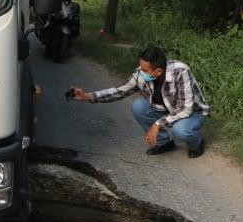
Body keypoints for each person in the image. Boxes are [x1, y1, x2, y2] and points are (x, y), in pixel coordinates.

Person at [70, 45, 210, 158]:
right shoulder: (141, 74)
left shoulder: (181, 71)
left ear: (158, 72)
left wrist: (157, 124)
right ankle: (164, 143)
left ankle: (197, 143)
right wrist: (88, 96)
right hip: (166, 110)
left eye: (144, 69)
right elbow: (120, 91)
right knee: (138, 106)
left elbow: (186, 109)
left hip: (193, 113)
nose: (140, 71)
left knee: (181, 130)